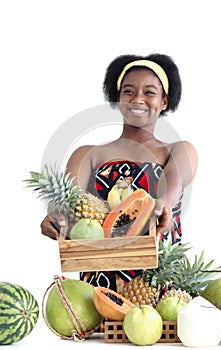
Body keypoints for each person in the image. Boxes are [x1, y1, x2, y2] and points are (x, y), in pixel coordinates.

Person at [40, 53, 198, 291]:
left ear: (164, 101)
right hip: (99, 287)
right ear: (117, 97)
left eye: (150, 92)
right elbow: (69, 203)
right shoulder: (87, 154)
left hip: (161, 285)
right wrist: (56, 217)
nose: (138, 99)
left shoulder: (178, 149)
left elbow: (172, 184)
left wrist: (161, 205)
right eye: (129, 91)